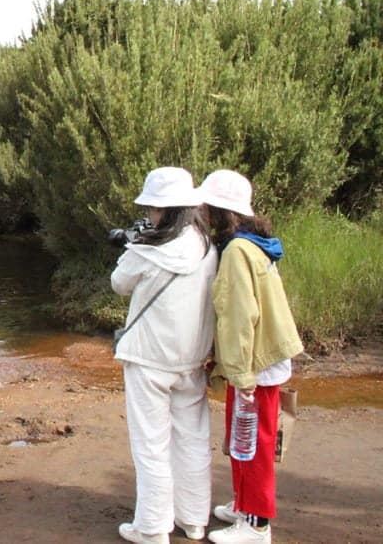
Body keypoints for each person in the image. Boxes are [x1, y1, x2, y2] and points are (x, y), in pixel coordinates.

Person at [111, 167, 219, 544]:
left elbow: (118, 284)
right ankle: (193, 520)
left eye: (153, 208)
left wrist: (134, 242)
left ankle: (153, 527)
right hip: (191, 359)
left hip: (148, 359)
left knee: (151, 444)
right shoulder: (209, 249)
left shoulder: (147, 251)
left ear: (164, 210)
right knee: (191, 439)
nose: (150, 214)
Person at [199, 169, 304, 544]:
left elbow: (240, 316)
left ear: (220, 211)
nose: (202, 212)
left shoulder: (237, 251)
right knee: (243, 435)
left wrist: (241, 374)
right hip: (258, 359)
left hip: (255, 362)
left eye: (207, 206)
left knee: (254, 440)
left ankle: (257, 524)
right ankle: (245, 504)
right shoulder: (252, 242)